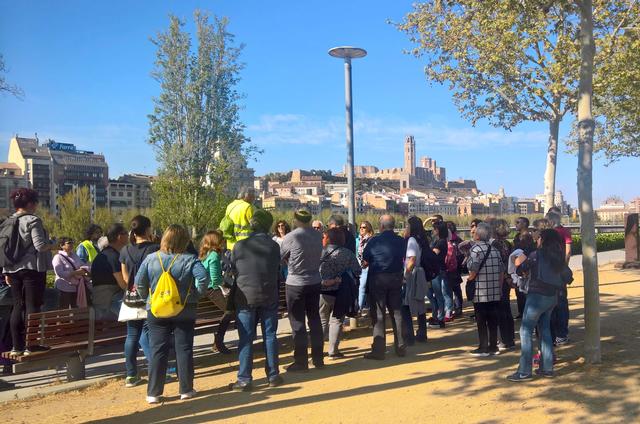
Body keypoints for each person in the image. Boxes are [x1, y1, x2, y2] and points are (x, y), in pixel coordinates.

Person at [135, 224, 209, 404]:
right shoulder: (190, 259)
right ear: (184, 241)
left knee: (157, 350)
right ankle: (186, 389)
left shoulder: (151, 258)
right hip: (184, 308)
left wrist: (148, 299)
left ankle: (153, 392)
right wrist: (195, 295)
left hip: (157, 309)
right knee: (184, 348)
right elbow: (203, 278)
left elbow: (139, 283)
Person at [229, 210, 282, 391]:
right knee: (270, 335)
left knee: (246, 337)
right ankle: (273, 375)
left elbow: (233, 269)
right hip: (269, 294)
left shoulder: (239, 246)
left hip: (245, 296)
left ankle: (244, 378)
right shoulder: (274, 246)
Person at [3, 188, 58, 356]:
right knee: (33, 305)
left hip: (12, 269)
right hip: (32, 269)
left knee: (17, 306)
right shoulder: (33, 220)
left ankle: (16, 347)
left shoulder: (8, 221)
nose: (36, 206)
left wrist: (6, 271)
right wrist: (54, 244)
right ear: (29, 204)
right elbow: (40, 246)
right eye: (35, 203)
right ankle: (31, 345)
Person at [507, 229, 568, 381]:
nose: (537, 239)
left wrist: (520, 261)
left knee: (525, 331)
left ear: (543, 239)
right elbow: (567, 276)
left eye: (540, 237)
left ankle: (524, 371)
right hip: (552, 297)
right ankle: (547, 367)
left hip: (536, 297)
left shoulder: (536, 255)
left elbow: (521, 270)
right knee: (544, 329)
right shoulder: (558, 257)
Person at [281, 209, 324, 371]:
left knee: (297, 322)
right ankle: (318, 358)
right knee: (315, 320)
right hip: (315, 281)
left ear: (296, 220)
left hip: (295, 283)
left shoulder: (291, 236)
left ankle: (301, 361)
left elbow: (280, 256)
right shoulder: (318, 235)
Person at [119, 215, 159, 388]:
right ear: (148, 229)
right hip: (149, 297)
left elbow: (125, 277)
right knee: (150, 335)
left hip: (130, 298)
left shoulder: (125, 250)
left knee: (132, 336)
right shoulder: (154, 249)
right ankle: (157, 371)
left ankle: (131, 375)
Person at [362, 215, 407, 360]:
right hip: (396, 278)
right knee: (397, 312)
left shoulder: (374, 241)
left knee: (378, 314)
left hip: (378, 279)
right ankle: (400, 346)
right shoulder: (401, 241)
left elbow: (365, 260)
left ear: (381, 226)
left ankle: (379, 350)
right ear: (393, 226)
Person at [319, 227, 361, 359]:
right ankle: (333, 351)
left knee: (322, 320)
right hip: (342, 291)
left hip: (323, 291)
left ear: (328, 238)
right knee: (337, 321)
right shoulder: (348, 253)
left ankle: (317, 351)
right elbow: (357, 270)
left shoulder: (319, 252)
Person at [467, 222, 504, 356]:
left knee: (481, 320)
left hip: (480, 291)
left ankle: (483, 346)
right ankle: (493, 346)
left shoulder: (475, 250)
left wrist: (470, 279)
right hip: (494, 291)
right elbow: (501, 271)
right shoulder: (495, 250)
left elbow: (473, 269)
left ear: (478, 235)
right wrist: (499, 288)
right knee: (493, 320)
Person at [200, 230, 233, 354]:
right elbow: (215, 280)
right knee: (230, 311)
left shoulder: (206, 253)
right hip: (211, 289)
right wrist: (226, 286)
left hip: (204, 288)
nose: (223, 241)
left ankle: (217, 342)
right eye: (221, 239)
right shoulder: (214, 255)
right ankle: (218, 342)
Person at [91, 224, 129, 320]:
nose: (128, 235)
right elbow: (123, 284)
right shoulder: (113, 256)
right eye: (126, 233)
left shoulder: (105, 254)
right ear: (119, 237)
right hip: (107, 304)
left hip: (101, 302)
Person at [401, 216, 428, 345]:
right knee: (420, 304)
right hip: (419, 273)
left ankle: (409, 336)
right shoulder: (421, 239)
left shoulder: (411, 240)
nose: (405, 228)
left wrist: (405, 276)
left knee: (405, 305)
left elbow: (411, 259)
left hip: (411, 274)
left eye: (407, 225)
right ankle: (422, 333)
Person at [546, 208, 571, 345]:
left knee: (556, 303)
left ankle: (559, 333)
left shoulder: (550, 234)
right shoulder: (565, 231)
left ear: (550, 221)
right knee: (561, 302)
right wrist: (564, 267)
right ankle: (562, 333)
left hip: (550, 272)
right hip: (560, 271)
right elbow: (568, 252)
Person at [491, 220, 515, 351]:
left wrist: (505, 276)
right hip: (507, 278)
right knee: (506, 309)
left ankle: (504, 340)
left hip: (500, 279)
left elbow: (499, 263)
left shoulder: (495, 244)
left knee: (500, 310)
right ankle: (510, 338)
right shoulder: (508, 244)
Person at [52, 237, 91, 309]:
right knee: (64, 311)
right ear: (62, 245)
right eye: (69, 243)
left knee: (76, 310)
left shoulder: (75, 256)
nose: (72, 244)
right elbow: (60, 273)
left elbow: (83, 265)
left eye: (72, 242)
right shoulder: (57, 257)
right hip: (63, 289)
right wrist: (75, 273)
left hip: (76, 288)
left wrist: (84, 270)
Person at [427, 221, 452, 328]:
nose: (433, 231)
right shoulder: (440, 241)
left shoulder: (440, 242)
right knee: (434, 294)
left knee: (438, 295)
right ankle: (436, 316)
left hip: (437, 270)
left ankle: (440, 318)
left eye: (434, 229)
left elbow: (433, 254)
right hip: (438, 269)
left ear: (438, 230)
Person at [513, 217, 534, 318]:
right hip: (516, 267)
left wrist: (526, 268)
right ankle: (521, 312)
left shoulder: (528, 237)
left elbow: (529, 253)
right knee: (518, 291)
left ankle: (527, 313)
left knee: (525, 291)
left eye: (518, 222)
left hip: (525, 267)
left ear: (525, 224)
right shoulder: (517, 236)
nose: (516, 224)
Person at [446, 221, 464, 317]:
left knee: (447, 290)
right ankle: (458, 308)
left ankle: (449, 309)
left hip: (449, 268)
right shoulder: (459, 240)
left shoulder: (446, 241)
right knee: (457, 289)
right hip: (457, 268)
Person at [356, 220, 374, 312]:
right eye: (360, 227)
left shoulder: (371, 239)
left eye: (364, 227)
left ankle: (359, 309)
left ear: (368, 229)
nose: (361, 229)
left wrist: (367, 262)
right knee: (364, 289)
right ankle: (369, 308)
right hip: (359, 266)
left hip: (367, 267)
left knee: (362, 288)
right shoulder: (359, 240)